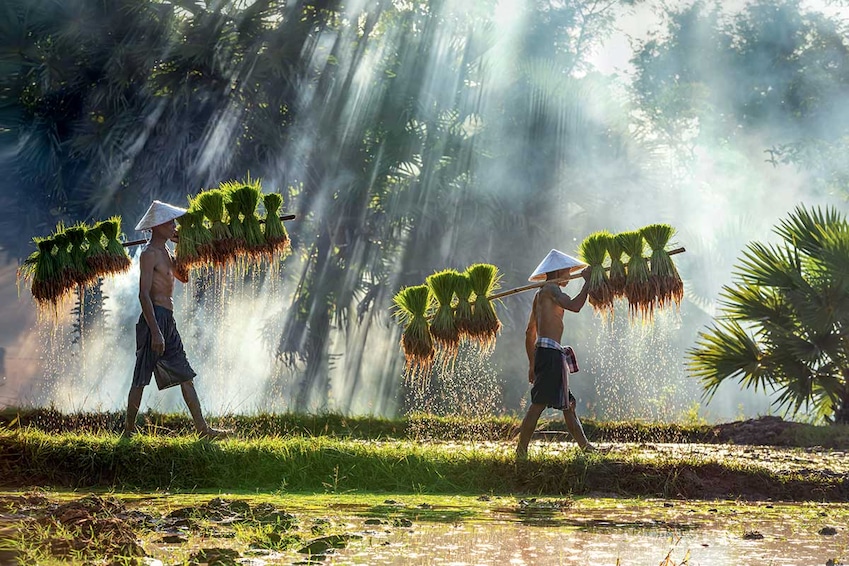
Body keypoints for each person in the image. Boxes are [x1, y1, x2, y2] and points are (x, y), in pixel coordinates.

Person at [124, 200, 227, 439]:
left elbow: (184, 277)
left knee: (186, 375)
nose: (174, 226)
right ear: (158, 225)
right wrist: (156, 332)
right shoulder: (149, 255)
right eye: (169, 222)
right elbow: (143, 295)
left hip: (168, 319)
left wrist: (184, 247)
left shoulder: (167, 253)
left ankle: (203, 429)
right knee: (141, 377)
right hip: (154, 320)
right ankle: (128, 432)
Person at [516, 249, 598, 458]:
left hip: (546, 352)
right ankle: (520, 452)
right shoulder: (552, 290)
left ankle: (586, 448)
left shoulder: (539, 294)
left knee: (568, 404)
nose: (571, 274)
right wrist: (587, 283)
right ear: (559, 271)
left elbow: (529, 332)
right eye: (569, 270)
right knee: (538, 404)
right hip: (550, 353)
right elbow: (576, 306)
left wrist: (532, 364)